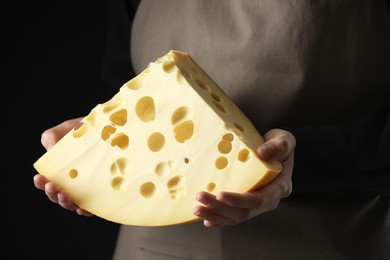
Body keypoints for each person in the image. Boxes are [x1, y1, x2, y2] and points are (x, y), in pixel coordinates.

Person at [33, 1, 390, 259]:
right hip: (155, 248)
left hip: (329, 238)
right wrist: (98, 142)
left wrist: (300, 160)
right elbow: (124, 81)